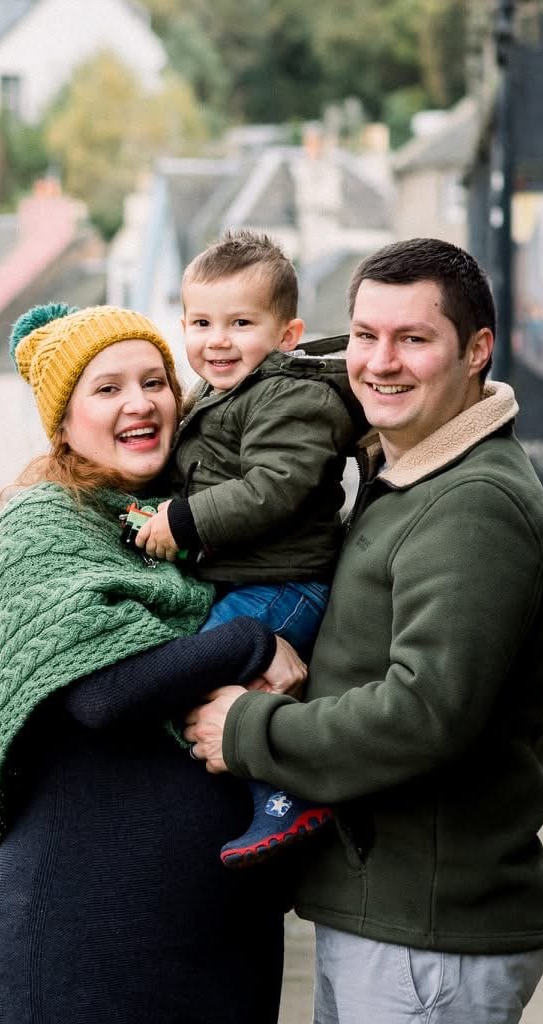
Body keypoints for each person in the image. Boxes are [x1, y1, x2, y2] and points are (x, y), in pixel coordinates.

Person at [185, 238, 543, 1024]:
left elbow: (423, 714)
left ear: (475, 350)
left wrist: (248, 731)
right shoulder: (397, 472)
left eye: (414, 338)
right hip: (381, 911)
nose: (379, 359)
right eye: (363, 334)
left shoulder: (471, 503)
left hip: (430, 926)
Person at [0, 302, 303, 1024]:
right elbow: (98, 694)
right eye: (105, 388)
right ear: (62, 416)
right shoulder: (39, 526)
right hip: (82, 927)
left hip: (215, 922)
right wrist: (248, 641)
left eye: (152, 380)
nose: (137, 403)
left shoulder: (194, 524)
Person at [132, 229, 364, 867]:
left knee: (199, 675)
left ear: (286, 335)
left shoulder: (290, 397)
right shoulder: (218, 396)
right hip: (256, 579)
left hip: (287, 585)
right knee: (203, 677)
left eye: (240, 323)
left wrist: (184, 520)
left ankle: (288, 796)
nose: (218, 340)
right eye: (202, 323)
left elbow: (274, 486)